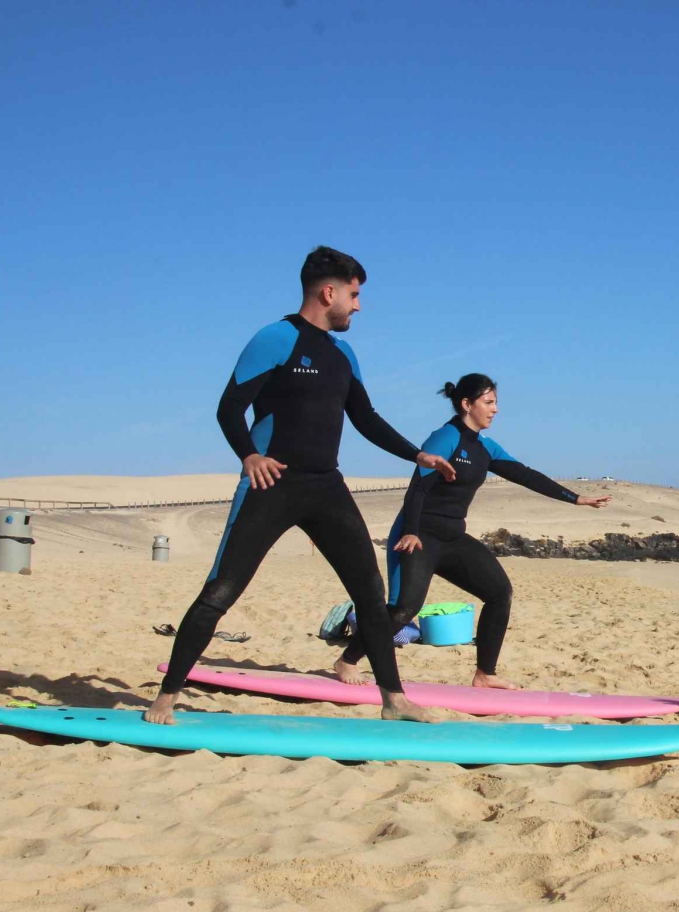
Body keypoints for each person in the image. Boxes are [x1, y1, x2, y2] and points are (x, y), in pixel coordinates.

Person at [146, 247, 456, 726]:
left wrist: (416, 453)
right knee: (221, 590)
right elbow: (229, 407)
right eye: (353, 295)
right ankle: (166, 697)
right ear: (328, 291)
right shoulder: (274, 338)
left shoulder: (342, 354)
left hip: (326, 486)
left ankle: (393, 700)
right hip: (273, 485)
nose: (358, 306)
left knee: (371, 594)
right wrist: (249, 455)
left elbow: (366, 418)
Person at [335, 373, 611, 688]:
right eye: (489, 402)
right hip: (419, 535)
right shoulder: (445, 437)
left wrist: (576, 498)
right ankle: (347, 660)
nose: (495, 410)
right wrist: (410, 531)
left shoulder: (485, 447)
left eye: (496, 403)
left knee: (498, 592)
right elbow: (418, 488)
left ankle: (484, 674)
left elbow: (525, 475)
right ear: (467, 404)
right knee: (403, 609)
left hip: (452, 537)